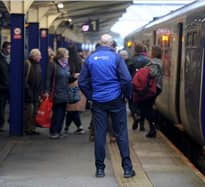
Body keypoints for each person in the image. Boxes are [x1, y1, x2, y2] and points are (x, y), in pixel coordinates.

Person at [79, 34, 135, 178]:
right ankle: (127, 169)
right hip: (116, 100)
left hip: (98, 101)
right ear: (111, 44)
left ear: (100, 43)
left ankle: (100, 169)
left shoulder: (90, 58)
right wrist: (126, 95)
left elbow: (82, 82)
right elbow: (127, 79)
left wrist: (91, 96)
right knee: (121, 133)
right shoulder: (116, 58)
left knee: (99, 134)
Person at [46, 48, 70, 139]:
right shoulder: (53, 65)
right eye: (66, 54)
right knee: (57, 113)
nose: (68, 56)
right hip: (56, 92)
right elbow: (48, 79)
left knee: (63, 113)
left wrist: (74, 77)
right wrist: (47, 91)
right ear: (61, 55)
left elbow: (67, 78)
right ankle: (53, 131)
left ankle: (59, 131)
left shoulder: (67, 66)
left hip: (65, 92)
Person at [139, 45, 163, 138]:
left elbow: (152, 73)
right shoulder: (159, 62)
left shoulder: (154, 63)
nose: (149, 52)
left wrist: (144, 70)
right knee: (148, 106)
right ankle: (153, 128)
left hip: (153, 88)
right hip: (157, 87)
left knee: (146, 107)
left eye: (150, 51)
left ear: (154, 53)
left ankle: (153, 128)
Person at [64, 44, 86, 134]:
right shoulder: (79, 60)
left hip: (70, 85)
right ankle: (68, 127)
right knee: (73, 108)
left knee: (72, 108)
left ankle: (79, 127)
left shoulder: (67, 62)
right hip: (79, 85)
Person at [129, 43, 150, 131]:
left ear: (135, 50)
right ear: (143, 50)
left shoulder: (130, 60)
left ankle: (136, 115)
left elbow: (127, 74)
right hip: (145, 86)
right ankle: (142, 126)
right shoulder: (148, 60)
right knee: (143, 105)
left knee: (133, 104)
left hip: (133, 85)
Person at [24, 49, 42, 135]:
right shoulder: (27, 64)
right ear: (33, 56)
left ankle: (32, 128)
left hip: (36, 92)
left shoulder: (38, 65)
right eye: (39, 55)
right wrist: (27, 90)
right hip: (29, 92)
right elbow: (24, 79)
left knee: (35, 111)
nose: (40, 57)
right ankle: (27, 128)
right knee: (29, 112)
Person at [0, 41, 11, 132]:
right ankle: (1, 123)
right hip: (2, 87)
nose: (10, 50)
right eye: (8, 48)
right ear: (4, 48)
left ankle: (12, 121)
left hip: (11, 87)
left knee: (13, 105)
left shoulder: (13, 58)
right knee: (1, 106)